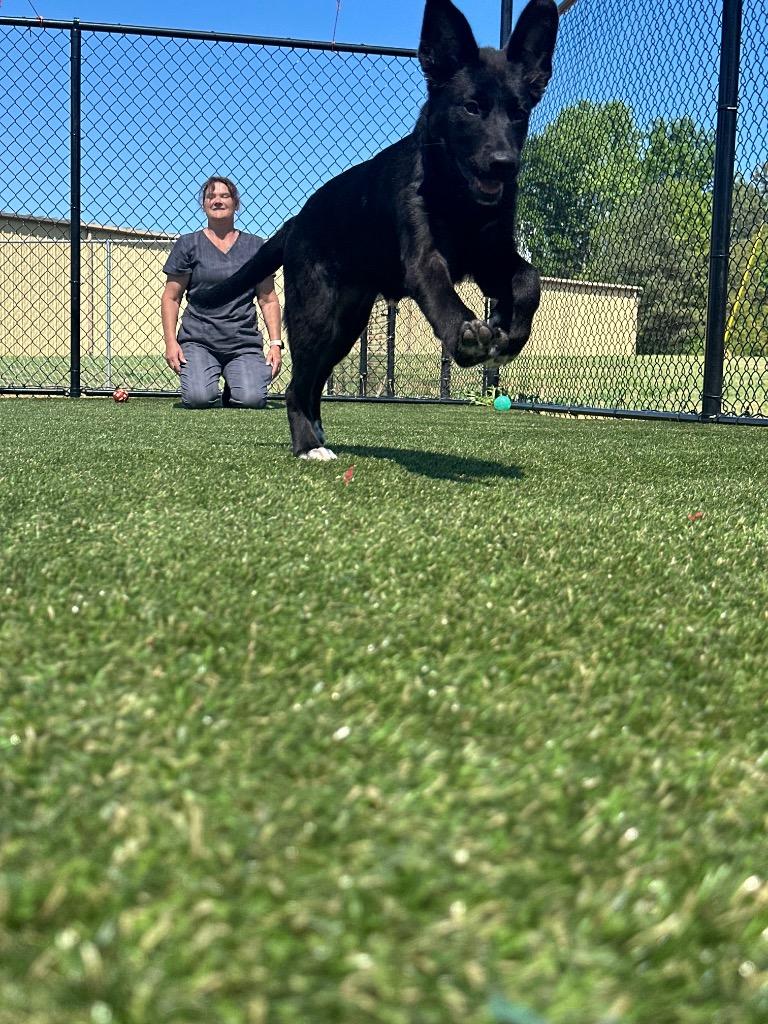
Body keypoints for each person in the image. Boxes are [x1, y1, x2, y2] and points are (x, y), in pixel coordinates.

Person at [161, 175, 283, 408]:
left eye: (224, 196)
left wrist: (276, 343)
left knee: (252, 399)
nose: (217, 200)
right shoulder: (188, 244)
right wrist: (170, 342)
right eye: (211, 196)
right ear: (204, 204)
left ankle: (237, 383)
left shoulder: (255, 246)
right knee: (199, 398)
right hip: (199, 341)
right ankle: (205, 378)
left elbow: (268, 300)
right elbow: (171, 297)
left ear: (236, 203)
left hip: (243, 343)